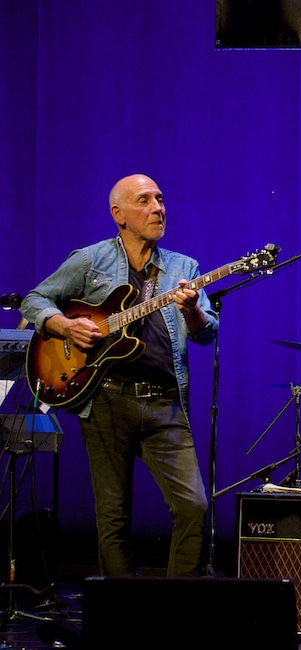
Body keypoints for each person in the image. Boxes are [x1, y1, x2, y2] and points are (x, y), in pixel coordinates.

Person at [21, 174, 217, 577]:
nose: (158, 208)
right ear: (119, 214)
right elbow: (35, 299)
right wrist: (64, 326)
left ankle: (182, 606)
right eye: (144, 200)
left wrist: (192, 310)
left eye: (160, 199)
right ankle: (122, 610)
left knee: (194, 506)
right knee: (113, 517)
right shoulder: (91, 260)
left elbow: (206, 333)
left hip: (164, 403)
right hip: (107, 399)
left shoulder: (184, 268)